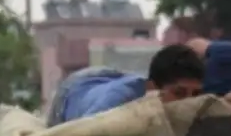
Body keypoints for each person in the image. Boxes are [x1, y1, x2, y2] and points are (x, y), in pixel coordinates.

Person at [55, 43, 206, 124]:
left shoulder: (203, 105)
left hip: (116, 77)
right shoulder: (117, 103)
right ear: (152, 88)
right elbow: (80, 131)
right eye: (179, 93)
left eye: (195, 94)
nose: (189, 102)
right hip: (76, 87)